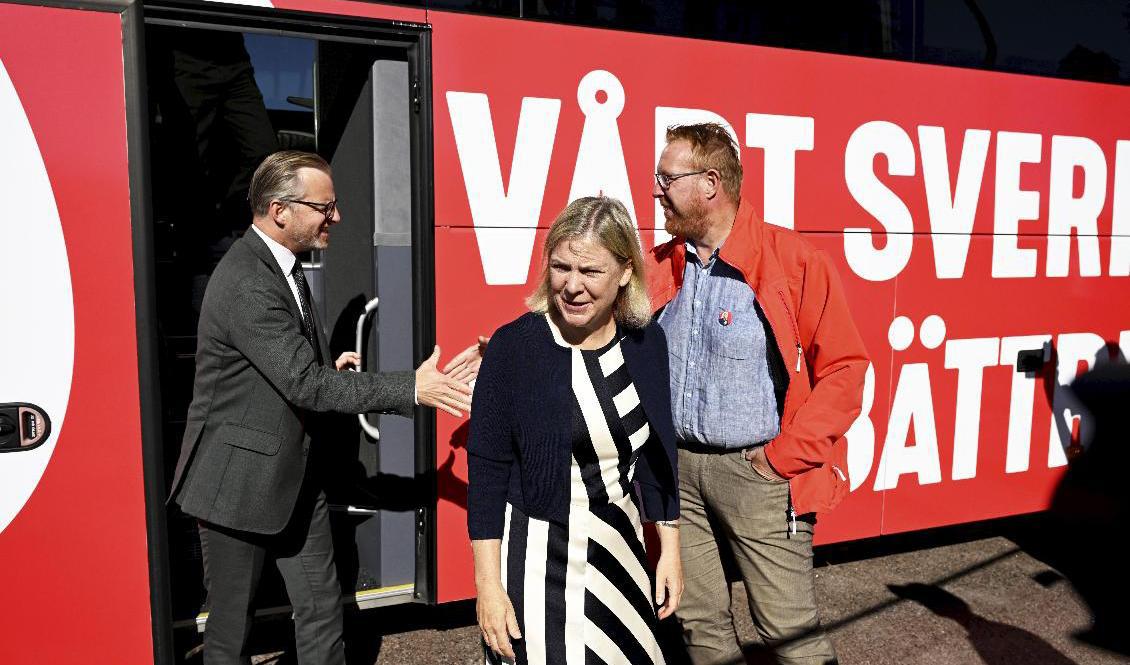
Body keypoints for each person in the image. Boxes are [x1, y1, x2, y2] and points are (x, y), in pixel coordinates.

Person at [168, 150, 480, 665]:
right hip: (236, 485)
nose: (336, 217)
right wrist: (411, 388)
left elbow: (284, 372)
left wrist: (324, 372)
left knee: (320, 611)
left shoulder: (281, 266)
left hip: (294, 478)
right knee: (229, 632)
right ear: (279, 210)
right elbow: (303, 386)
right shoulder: (249, 281)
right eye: (324, 206)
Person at [648, 123, 868, 665]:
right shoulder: (661, 263)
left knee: (787, 633)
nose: (657, 190)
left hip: (759, 474)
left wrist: (780, 460)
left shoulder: (791, 261)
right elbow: (594, 312)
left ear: (710, 183)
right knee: (699, 628)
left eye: (667, 178)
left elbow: (846, 370)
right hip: (679, 473)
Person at [467, 196, 683, 665]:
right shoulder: (514, 346)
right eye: (562, 267)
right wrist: (488, 587)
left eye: (590, 271)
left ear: (626, 271)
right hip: (536, 556)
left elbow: (656, 457)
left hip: (617, 548)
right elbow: (486, 473)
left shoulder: (646, 343)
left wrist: (669, 547)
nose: (572, 286)